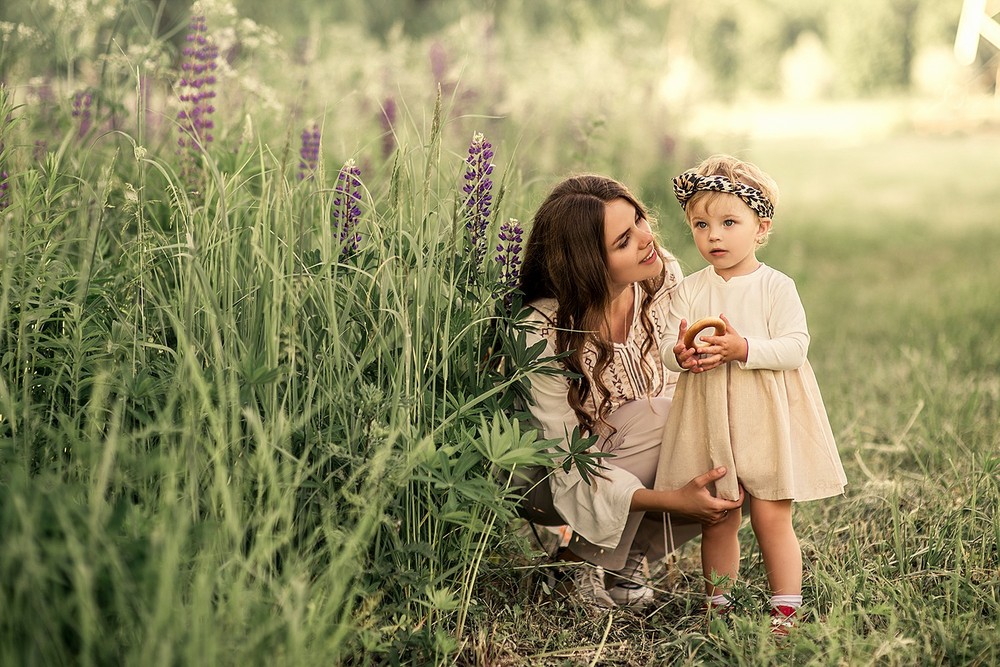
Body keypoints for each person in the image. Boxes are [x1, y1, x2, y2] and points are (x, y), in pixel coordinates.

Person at [513, 174, 744, 611]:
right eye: (623, 240)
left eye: (639, 219)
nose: (646, 238)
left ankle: (625, 564)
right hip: (545, 478)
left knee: (743, 440)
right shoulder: (540, 327)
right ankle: (574, 563)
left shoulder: (661, 278)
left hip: (639, 449)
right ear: (588, 266)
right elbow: (565, 458)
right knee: (662, 416)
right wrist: (671, 501)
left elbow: (683, 390)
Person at [654, 154, 847, 633]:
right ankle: (718, 607)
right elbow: (663, 345)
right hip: (710, 416)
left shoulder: (775, 287)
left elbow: (794, 346)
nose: (713, 235)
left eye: (728, 222)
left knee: (770, 513)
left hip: (764, 413)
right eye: (700, 224)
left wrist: (743, 348)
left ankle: (785, 609)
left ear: (761, 228)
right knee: (718, 515)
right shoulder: (691, 289)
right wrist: (679, 355)